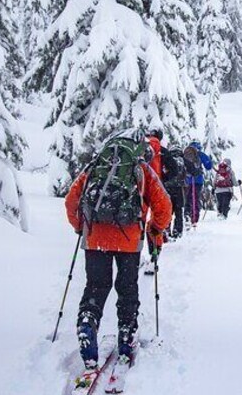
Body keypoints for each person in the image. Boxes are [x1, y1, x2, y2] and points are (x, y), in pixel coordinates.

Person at [65, 138, 172, 369]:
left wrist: (79, 226)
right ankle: (126, 335)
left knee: (96, 286)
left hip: (95, 237)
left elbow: (71, 199)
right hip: (128, 238)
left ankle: (87, 321)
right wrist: (155, 230)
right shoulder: (141, 168)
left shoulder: (96, 166)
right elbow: (164, 204)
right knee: (127, 288)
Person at [159, 144, 186, 239]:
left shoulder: (167, 159)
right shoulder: (182, 161)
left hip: (167, 189)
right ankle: (177, 231)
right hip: (179, 190)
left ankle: (166, 230)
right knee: (178, 212)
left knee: (168, 211)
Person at [183, 141, 213, 226]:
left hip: (187, 180)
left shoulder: (185, 153)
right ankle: (194, 218)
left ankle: (187, 216)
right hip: (198, 180)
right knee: (195, 198)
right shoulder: (200, 154)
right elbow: (209, 166)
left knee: (188, 198)